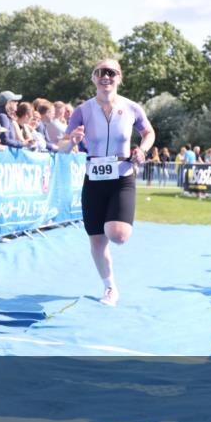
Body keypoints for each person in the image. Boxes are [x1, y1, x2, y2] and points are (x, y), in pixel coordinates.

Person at [60, 58, 155, 306]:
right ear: (93, 77)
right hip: (94, 180)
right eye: (100, 72)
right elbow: (62, 147)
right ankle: (110, 287)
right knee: (96, 240)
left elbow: (149, 132)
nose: (106, 77)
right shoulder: (82, 110)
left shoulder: (132, 108)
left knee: (118, 234)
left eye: (111, 73)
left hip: (122, 177)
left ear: (119, 78)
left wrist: (142, 149)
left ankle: (116, 220)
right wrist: (73, 140)